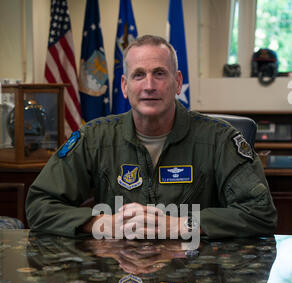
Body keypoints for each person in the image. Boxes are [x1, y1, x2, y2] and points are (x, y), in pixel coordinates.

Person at [25, 35, 277, 240]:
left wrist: (182, 226)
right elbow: (39, 205)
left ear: (177, 82)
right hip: (117, 281)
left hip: (195, 282)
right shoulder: (95, 137)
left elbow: (260, 212)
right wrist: (99, 224)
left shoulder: (220, 139)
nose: (149, 85)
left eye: (159, 73)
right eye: (138, 75)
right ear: (124, 86)